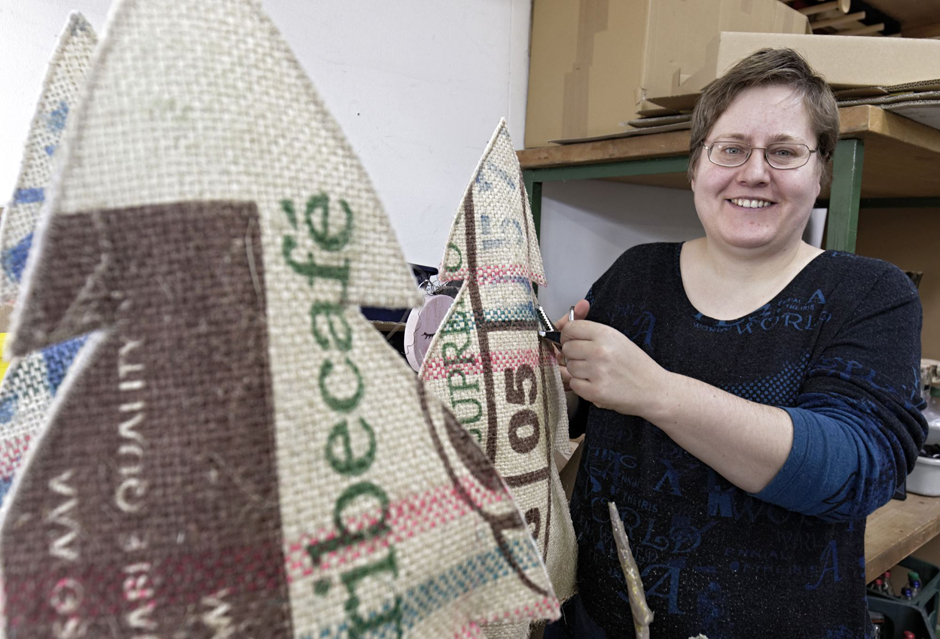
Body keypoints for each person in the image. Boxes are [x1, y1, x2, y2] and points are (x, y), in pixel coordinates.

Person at [543, 48, 928, 638]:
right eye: (731, 148)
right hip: (600, 621)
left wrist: (657, 391)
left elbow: (855, 471)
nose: (754, 172)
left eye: (784, 152)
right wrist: (542, 374)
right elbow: (571, 418)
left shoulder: (870, 292)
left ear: (820, 170)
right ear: (697, 166)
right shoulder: (636, 274)